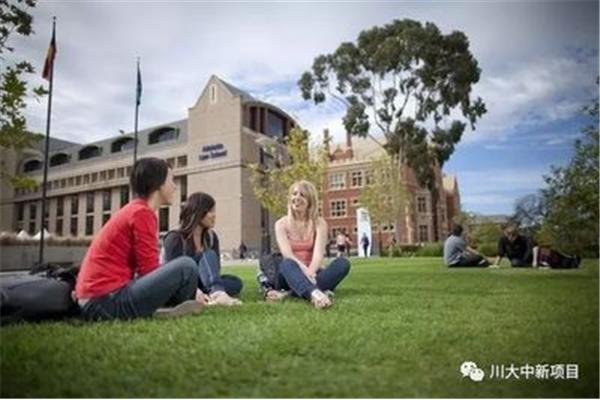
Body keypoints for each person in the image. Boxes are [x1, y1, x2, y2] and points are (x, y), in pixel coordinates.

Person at [75, 158, 204, 321]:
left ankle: (177, 304)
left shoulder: (136, 210)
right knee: (187, 267)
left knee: (182, 269)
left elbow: (146, 270)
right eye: (171, 179)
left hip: (97, 299)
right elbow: (149, 271)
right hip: (104, 302)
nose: (175, 186)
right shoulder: (142, 213)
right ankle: (176, 306)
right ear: (158, 183)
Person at [265, 180, 351, 309]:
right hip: (289, 274)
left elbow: (318, 256)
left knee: (343, 263)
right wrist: (305, 272)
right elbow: (287, 254)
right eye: (294, 194)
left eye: (302, 195)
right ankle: (315, 293)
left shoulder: (319, 223)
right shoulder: (280, 224)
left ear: (310, 201)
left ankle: (288, 294)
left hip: (313, 272)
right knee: (287, 263)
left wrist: (310, 272)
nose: (297, 198)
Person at [162, 192, 243, 306]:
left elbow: (215, 270)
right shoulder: (175, 238)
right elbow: (171, 274)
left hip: (204, 282)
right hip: (180, 285)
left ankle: (212, 292)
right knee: (207, 254)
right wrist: (194, 289)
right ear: (199, 212)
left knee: (236, 282)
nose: (214, 215)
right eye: (210, 211)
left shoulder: (211, 237)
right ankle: (216, 293)